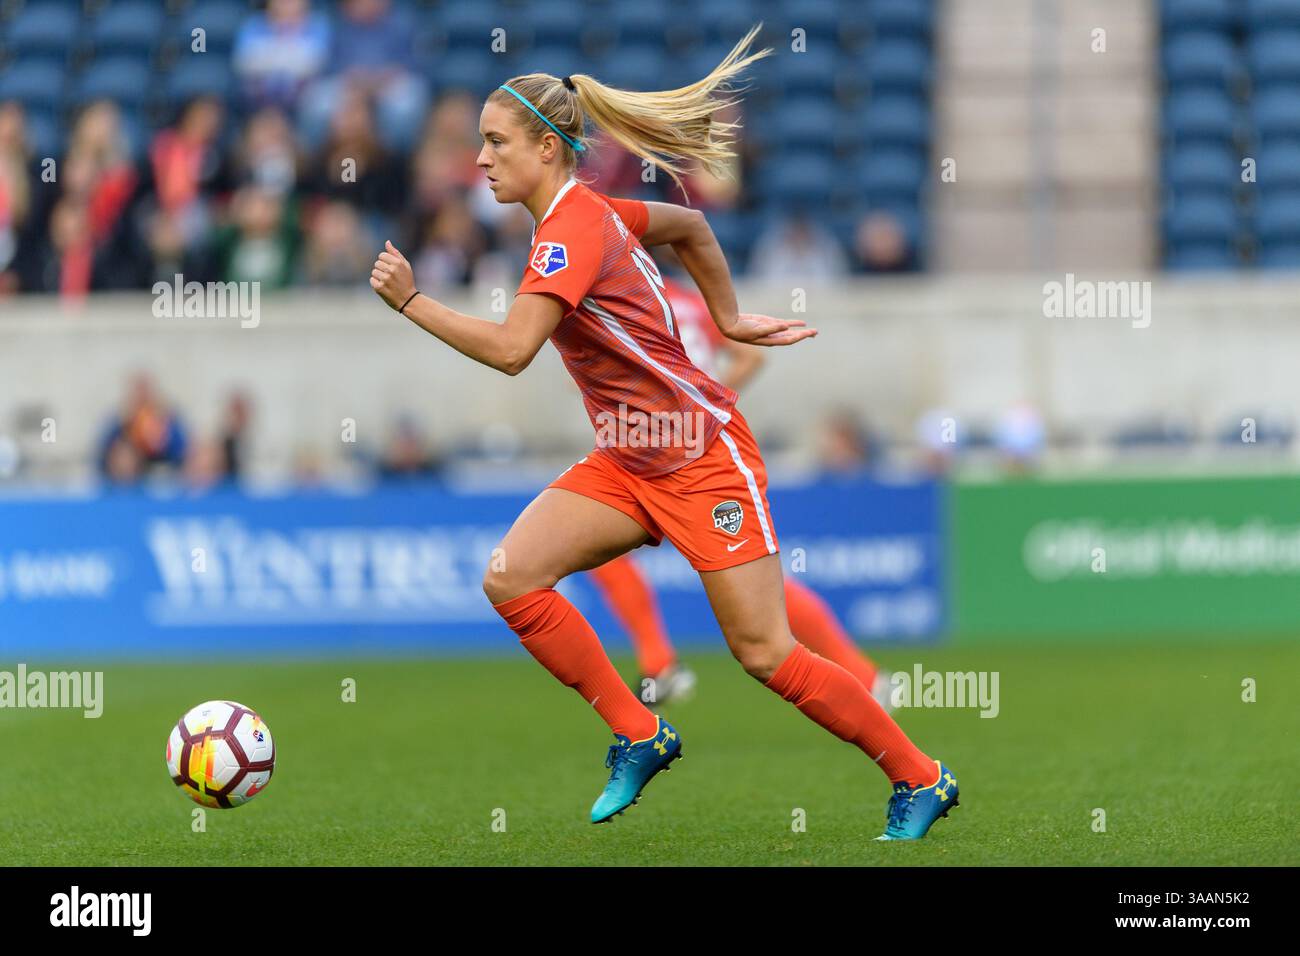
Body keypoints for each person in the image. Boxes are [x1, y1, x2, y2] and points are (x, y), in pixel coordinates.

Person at [368, 28, 957, 841]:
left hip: (701, 455)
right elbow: (688, 226)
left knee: (765, 654)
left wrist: (411, 301)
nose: (480, 160)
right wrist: (726, 315)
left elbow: (511, 352)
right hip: (629, 458)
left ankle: (921, 776)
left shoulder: (572, 228)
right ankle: (640, 731)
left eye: (496, 142)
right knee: (512, 578)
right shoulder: (588, 213)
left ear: (547, 146)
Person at [585, 272, 894, 710]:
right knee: (753, 582)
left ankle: (662, 664)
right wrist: (710, 407)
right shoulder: (687, 299)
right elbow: (749, 358)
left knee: (754, 589)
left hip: (663, 455)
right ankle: (661, 664)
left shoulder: (624, 298)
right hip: (694, 447)